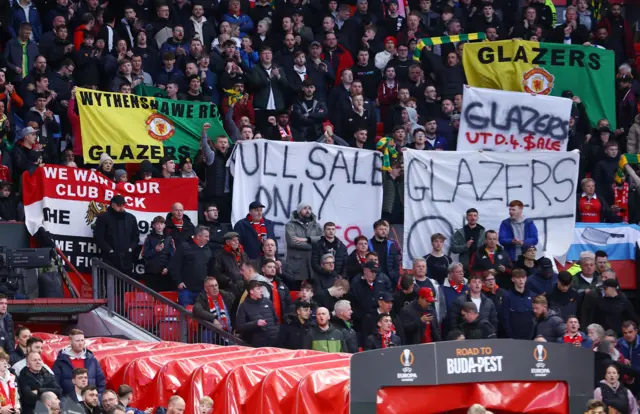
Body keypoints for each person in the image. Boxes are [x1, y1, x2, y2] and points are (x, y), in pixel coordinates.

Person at [169, 226, 215, 306]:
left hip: (202, 289)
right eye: (206, 236)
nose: (208, 239)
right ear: (198, 236)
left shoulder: (208, 250)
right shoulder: (184, 246)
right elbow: (175, 265)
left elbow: (210, 268)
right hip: (186, 289)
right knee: (186, 314)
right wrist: (178, 281)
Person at [93, 195, 140, 275]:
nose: (122, 208)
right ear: (113, 205)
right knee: (110, 282)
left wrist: (131, 248)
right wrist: (109, 250)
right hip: (110, 258)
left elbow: (135, 236)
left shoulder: (131, 218)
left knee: (126, 284)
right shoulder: (103, 217)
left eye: (123, 205)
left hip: (126, 258)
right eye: (119, 206)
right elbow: (98, 237)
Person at [52, 330, 106, 396]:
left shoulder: (92, 360)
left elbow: (101, 381)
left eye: (82, 340)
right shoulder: (60, 361)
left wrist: (98, 396)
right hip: (69, 402)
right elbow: (56, 383)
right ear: (70, 342)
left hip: (90, 400)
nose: (80, 343)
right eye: (77, 341)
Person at [200, 123, 232, 223]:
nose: (223, 144)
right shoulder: (212, 155)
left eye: (225, 142)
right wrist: (204, 132)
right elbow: (205, 147)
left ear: (228, 145)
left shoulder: (232, 157)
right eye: (221, 142)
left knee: (225, 221)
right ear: (216, 144)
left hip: (226, 196)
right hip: (213, 196)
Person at [284, 203, 323, 284]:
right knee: (296, 292)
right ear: (299, 211)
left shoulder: (316, 225)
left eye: (309, 208)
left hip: (313, 267)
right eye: (305, 208)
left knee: (313, 293)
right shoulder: (290, 225)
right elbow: (292, 242)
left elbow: (322, 240)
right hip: (296, 267)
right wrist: (314, 245)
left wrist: (307, 239)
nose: (308, 211)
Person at [235, 280, 280, 347]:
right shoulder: (244, 306)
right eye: (258, 289)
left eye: (261, 288)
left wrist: (276, 332)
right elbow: (239, 326)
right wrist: (256, 323)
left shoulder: (267, 302)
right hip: (256, 345)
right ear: (251, 291)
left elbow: (276, 320)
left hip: (273, 342)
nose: (261, 291)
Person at [141, 216, 176, 293]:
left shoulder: (169, 239)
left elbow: (172, 257)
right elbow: (144, 254)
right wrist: (155, 250)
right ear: (153, 225)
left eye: (161, 223)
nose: (159, 226)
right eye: (157, 224)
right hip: (152, 272)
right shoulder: (149, 238)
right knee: (151, 294)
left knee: (165, 296)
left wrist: (167, 268)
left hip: (165, 272)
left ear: (164, 225)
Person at [368, 219, 401, 284]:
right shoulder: (368, 244)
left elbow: (396, 263)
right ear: (375, 230)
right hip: (373, 279)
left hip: (389, 280)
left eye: (385, 229)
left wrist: (395, 277)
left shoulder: (391, 244)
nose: (384, 231)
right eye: (381, 229)